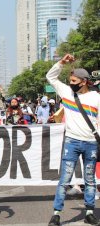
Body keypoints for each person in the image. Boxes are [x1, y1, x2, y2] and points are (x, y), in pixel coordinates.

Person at [46, 54, 100, 226]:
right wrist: (62, 62)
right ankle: (56, 214)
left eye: (74, 81)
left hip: (91, 143)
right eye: (70, 80)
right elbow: (50, 77)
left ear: (84, 81)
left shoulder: (96, 98)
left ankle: (89, 211)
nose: (71, 83)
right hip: (72, 142)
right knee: (65, 179)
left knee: (90, 179)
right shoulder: (66, 92)